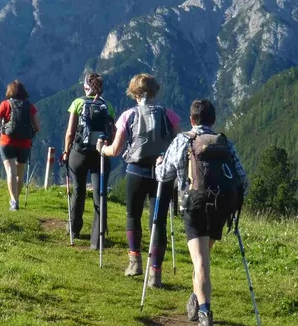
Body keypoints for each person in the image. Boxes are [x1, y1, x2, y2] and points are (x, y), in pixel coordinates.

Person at [155, 99, 248, 326]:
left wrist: (159, 163)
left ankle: (205, 313)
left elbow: (163, 175)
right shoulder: (224, 143)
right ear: (213, 120)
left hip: (194, 204)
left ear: (191, 119)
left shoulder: (183, 141)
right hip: (220, 206)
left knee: (200, 262)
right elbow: (242, 179)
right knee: (203, 258)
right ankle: (196, 299)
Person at [96, 74, 180, 285]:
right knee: (158, 222)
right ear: (155, 91)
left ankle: (135, 263)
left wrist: (102, 149)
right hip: (163, 174)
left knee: (133, 216)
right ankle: (155, 274)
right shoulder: (169, 115)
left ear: (135, 93)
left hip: (136, 171)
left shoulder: (128, 115)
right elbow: (178, 147)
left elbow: (115, 150)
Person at [61, 73, 116, 249]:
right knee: (100, 195)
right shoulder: (108, 106)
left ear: (86, 86)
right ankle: (97, 240)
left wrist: (66, 151)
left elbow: (70, 132)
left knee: (78, 190)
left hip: (79, 153)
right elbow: (113, 133)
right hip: (100, 154)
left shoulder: (78, 103)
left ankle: (74, 229)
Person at [0, 80, 40, 211]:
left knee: (10, 171)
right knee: (20, 174)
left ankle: (14, 201)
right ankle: (17, 199)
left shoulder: (5, 104)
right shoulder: (30, 106)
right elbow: (38, 127)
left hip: (7, 142)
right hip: (25, 144)